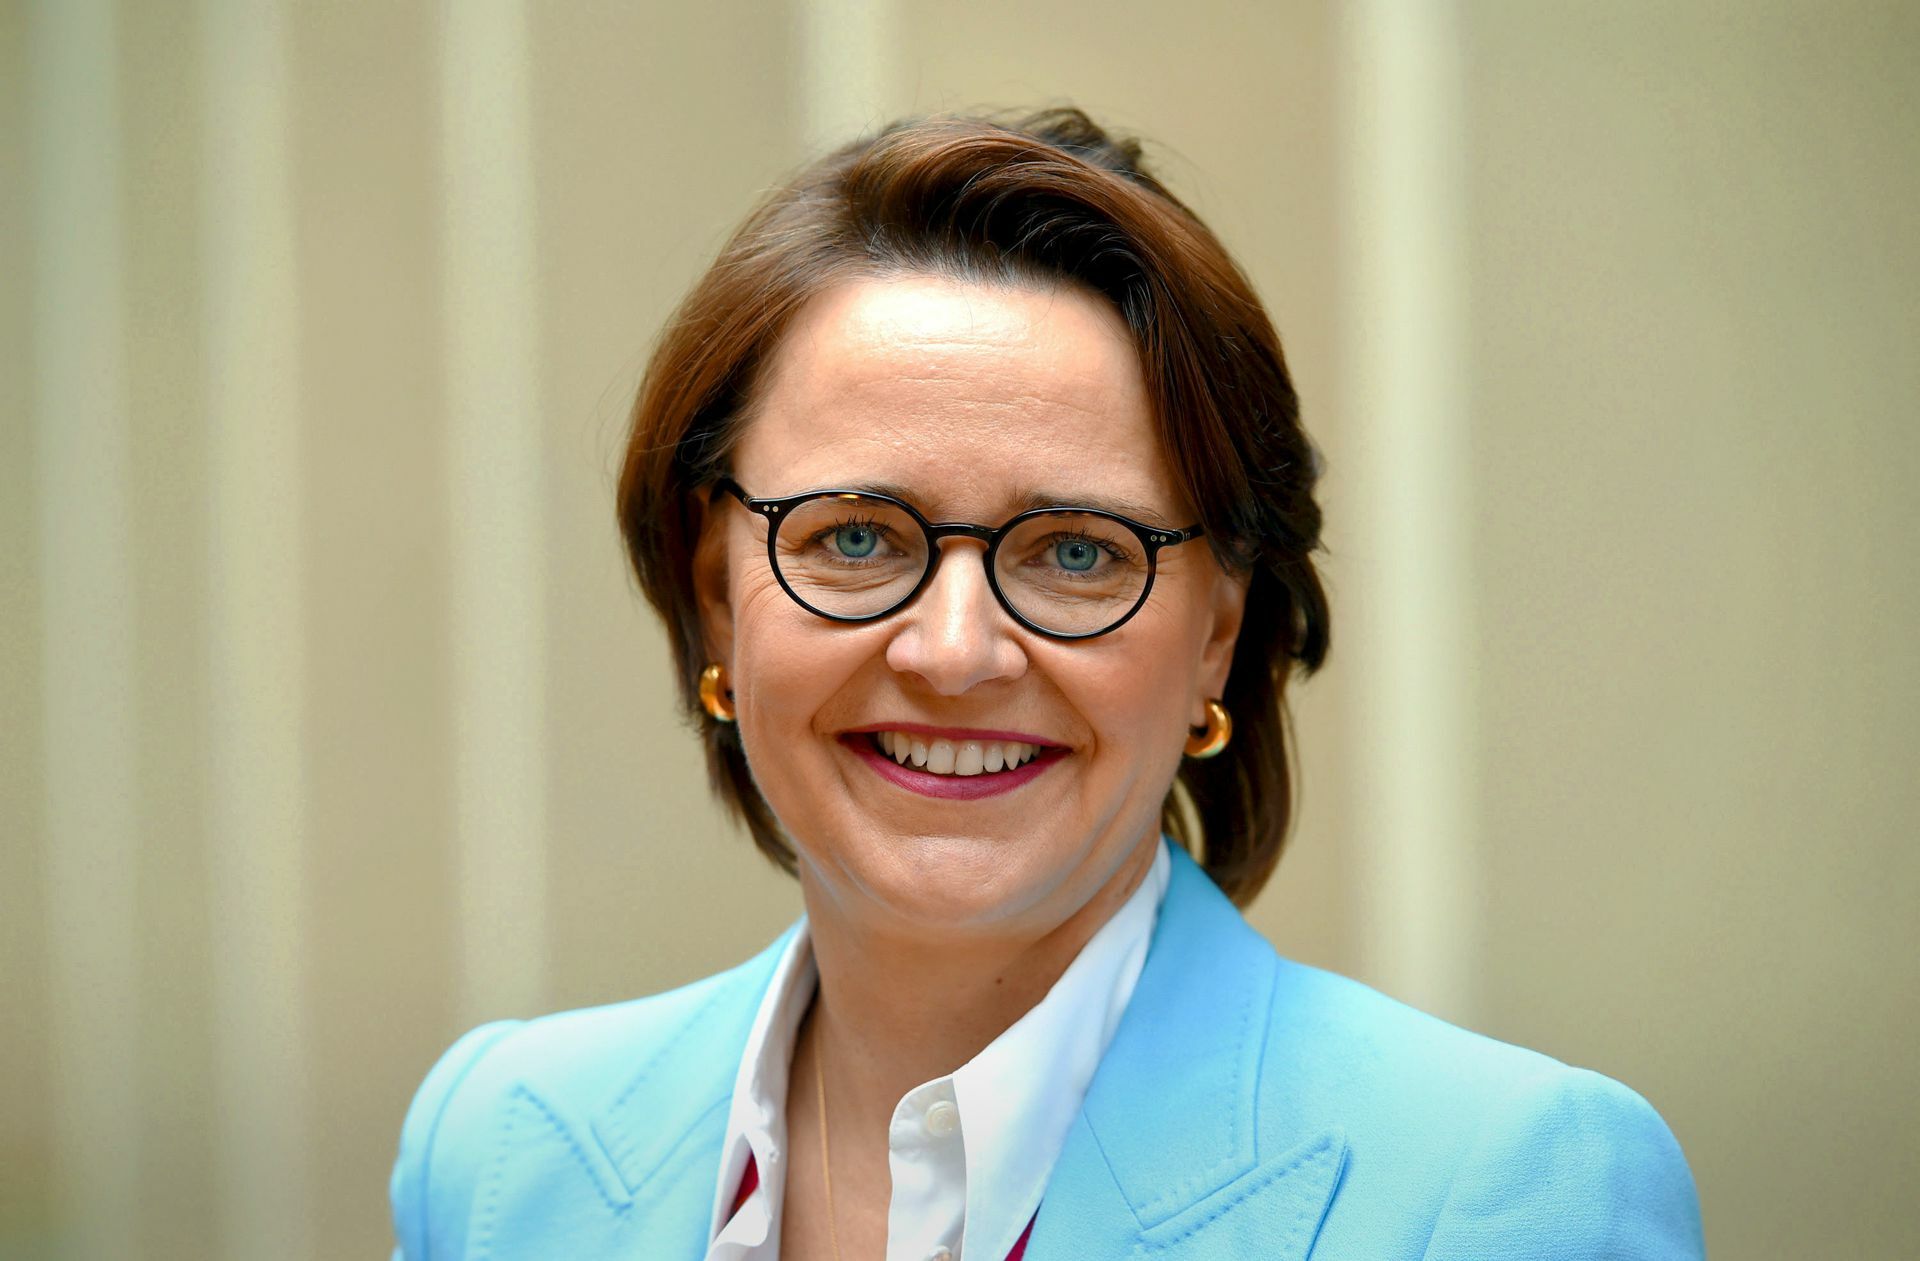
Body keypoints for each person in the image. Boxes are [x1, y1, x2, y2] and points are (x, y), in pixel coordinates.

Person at [388, 108, 1704, 1260]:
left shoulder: (1504, 1190)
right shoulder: (499, 1153)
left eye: (1077, 550)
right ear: (718, 594)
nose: (955, 651)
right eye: (858, 537)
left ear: (1218, 632)